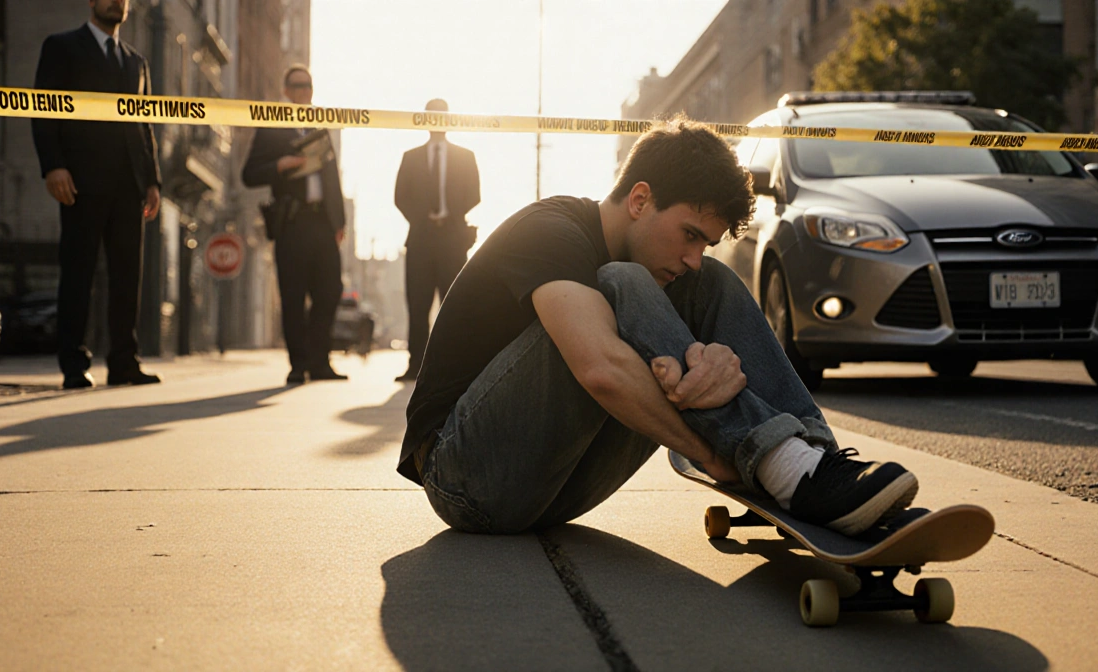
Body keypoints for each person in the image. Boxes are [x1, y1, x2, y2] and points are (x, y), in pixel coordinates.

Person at [399, 119, 919, 537]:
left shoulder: (685, 269)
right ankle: (782, 466)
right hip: (466, 477)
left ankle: (812, 463)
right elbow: (600, 369)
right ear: (640, 199)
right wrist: (717, 455)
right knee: (620, 280)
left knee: (711, 282)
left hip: (555, 488)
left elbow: (638, 345)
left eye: (705, 241)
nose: (692, 257)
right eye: (688, 234)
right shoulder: (549, 230)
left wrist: (713, 365)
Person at [31, 0, 162, 389]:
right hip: (80, 182)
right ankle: (74, 364)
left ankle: (124, 362)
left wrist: (152, 181)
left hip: (129, 187)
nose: (116, 2)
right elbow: (44, 108)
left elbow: (145, 124)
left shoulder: (136, 61)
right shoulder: (62, 47)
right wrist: (53, 165)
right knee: (78, 273)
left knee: (127, 276)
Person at [242, 65, 347, 385]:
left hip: (322, 223)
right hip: (292, 222)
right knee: (292, 295)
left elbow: (332, 178)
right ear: (286, 90)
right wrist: (280, 165)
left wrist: (340, 221)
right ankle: (298, 364)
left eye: (309, 86)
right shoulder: (273, 125)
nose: (304, 92)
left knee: (330, 291)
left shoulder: (320, 125)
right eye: (298, 86)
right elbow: (249, 174)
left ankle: (320, 361)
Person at [393, 98, 481, 382]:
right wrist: (422, 218)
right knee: (417, 304)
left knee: (454, 304)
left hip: (453, 239)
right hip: (420, 238)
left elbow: (474, 194)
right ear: (425, 119)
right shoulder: (411, 156)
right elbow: (400, 196)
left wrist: (451, 216)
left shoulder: (465, 156)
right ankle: (415, 364)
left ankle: (453, 365)